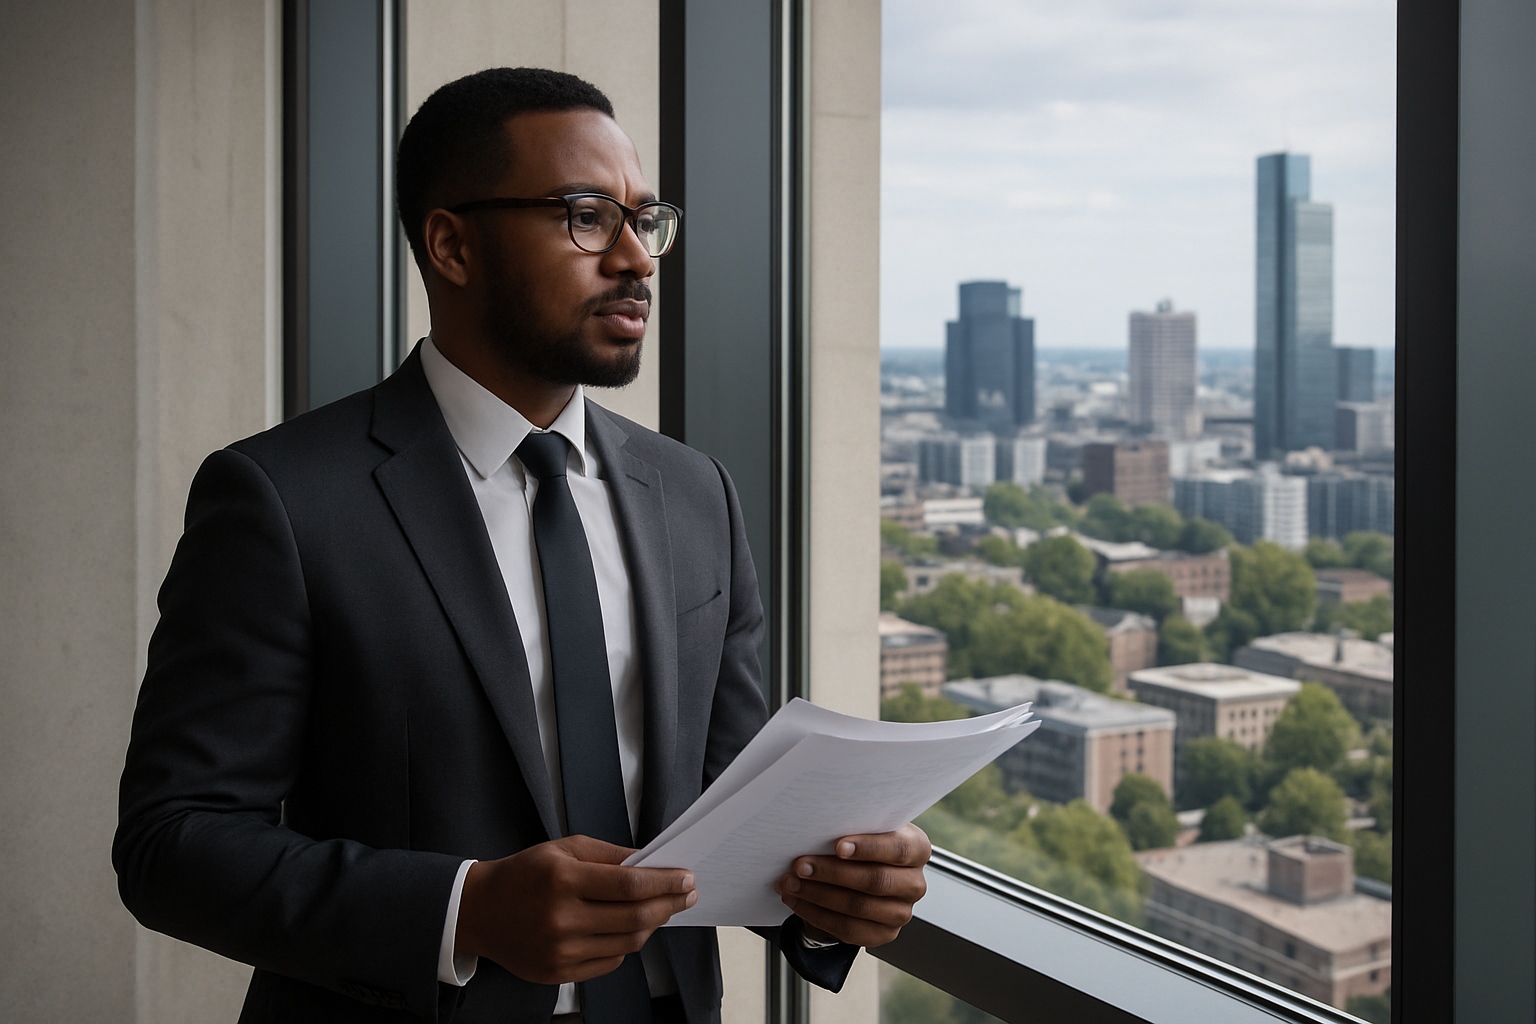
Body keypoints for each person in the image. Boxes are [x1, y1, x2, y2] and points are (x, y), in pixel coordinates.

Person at [114, 67, 929, 1024]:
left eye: (644, 218)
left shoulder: (695, 492)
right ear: (452, 244)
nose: (636, 258)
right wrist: (463, 911)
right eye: (587, 215)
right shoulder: (282, 500)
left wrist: (832, 892)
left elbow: (722, 798)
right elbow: (173, 843)